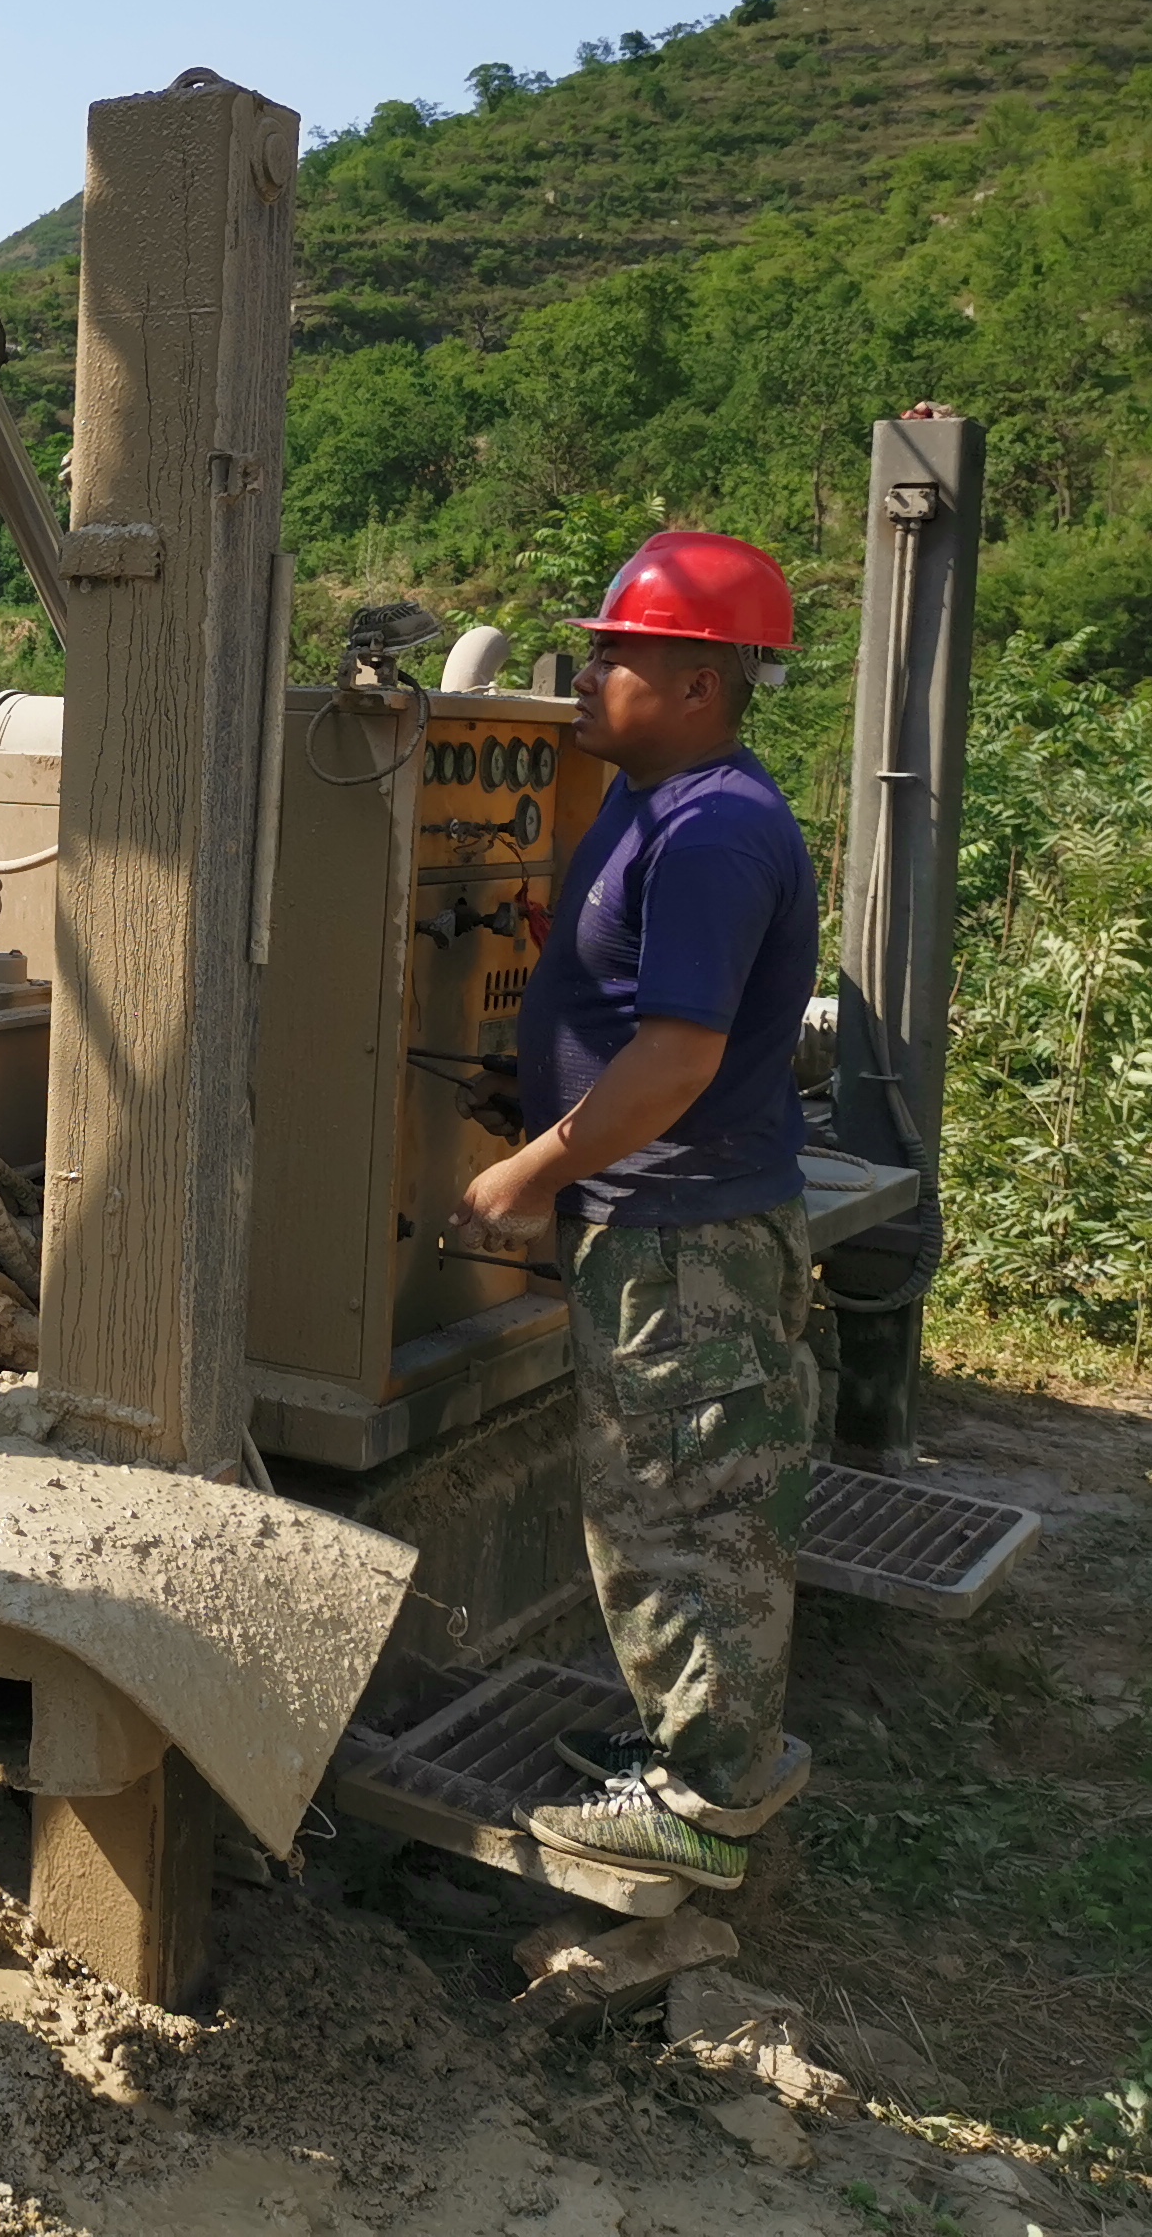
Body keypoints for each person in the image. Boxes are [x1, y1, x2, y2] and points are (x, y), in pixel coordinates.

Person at [451, 529, 822, 1895]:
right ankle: (697, 1743)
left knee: (686, 1505)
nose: (592, 673)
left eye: (620, 656)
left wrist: (532, 1167)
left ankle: (707, 1807)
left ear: (701, 684)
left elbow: (677, 1059)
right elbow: (623, 1017)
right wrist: (538, 1076)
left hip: (686, 1236)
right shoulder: (654, 802)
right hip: (661, 1218)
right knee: (659, 1496)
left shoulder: (717, 831)